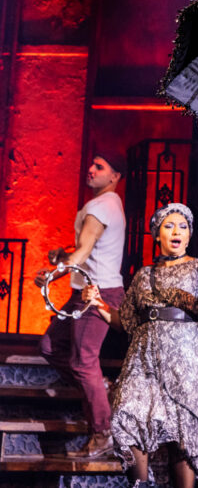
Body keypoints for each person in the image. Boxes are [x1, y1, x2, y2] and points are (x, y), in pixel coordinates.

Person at [84, 203, 198, 487]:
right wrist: (99, 303)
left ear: (189, 235)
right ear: (157, 235)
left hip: (187, 361)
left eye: (183, 226)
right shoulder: (144, 275)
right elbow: (127, 322)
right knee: (126, 416)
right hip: (143, 360)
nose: (176, 231)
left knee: (182, 435)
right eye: (169, 226)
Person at [35, 150, 127, 458]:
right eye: (92, 164)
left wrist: (52, 275)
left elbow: (83, 253)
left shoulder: (103, 206)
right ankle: (101, 387)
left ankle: (102, 433)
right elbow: (84, 253)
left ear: (115, 176)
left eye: (99, 167)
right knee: (50, 347)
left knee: (83, 361)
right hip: (83, 291)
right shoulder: (105, 204)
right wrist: (62, 258)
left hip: (97, 293)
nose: (91, 169)